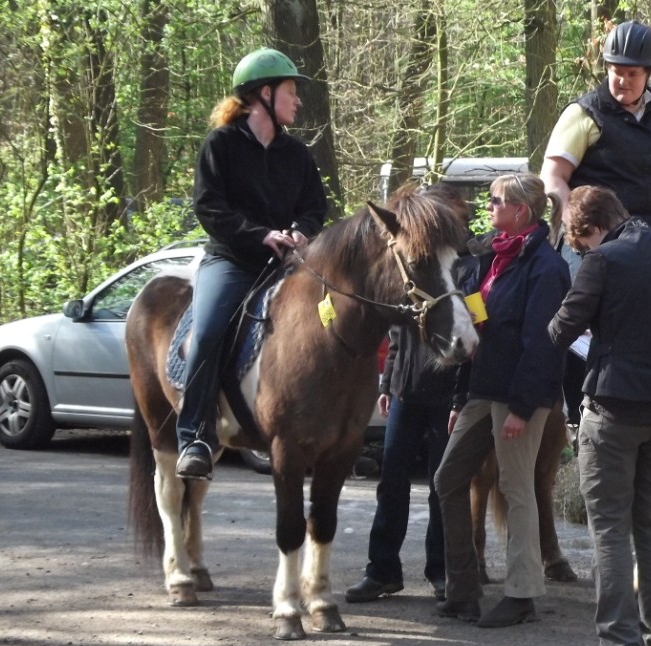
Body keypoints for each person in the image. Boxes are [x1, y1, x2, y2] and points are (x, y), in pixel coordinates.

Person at [548, 185, 651, 646]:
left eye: (579, 245)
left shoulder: (602, 261)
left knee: (611, 529)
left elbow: (562, 330)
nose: (582, 252)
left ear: (588, 229)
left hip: (614, 411)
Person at [176, 48, 329, 479]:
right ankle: (195, 438)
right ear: (264, 94)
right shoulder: (219, 146)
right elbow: (209, 209)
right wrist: (258, 234)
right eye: (291, 91)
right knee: (206, 334)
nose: (298, 100)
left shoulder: (297, 154)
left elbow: (315, 206)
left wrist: (300, 229)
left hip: (287, 265)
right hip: (232, 262)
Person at [434, 172, 570, 628]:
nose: (487, 208)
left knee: (516, 490)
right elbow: (474, 330)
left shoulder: (547, 268)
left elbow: (544, 344)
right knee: (448, 479)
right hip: (481, 390)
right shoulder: (489, 257)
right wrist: (459, 396)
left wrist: (523, 408)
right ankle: (463, 590)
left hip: (518, 397)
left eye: (495, 201)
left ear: (521, 212)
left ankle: (522, 594)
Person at [541, 19, 651, 277]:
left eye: (632, 74)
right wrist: (580, 229)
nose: (622, 80)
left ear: (648, 73)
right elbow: (552, 177)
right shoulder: (583, 114)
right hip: (595, 247)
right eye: (616, 71)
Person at [344, 325, 457, 604]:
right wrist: (386, 386)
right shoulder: (405, 286)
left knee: (441, 486)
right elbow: (396, 339)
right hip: (404, 394)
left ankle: (441, 571)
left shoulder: (462, 280)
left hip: (447, 397)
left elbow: (471, 339)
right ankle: (382, 572)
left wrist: (461, 397)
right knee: (391, 482)